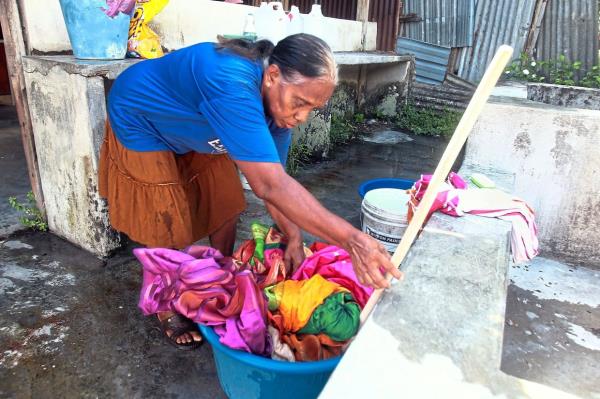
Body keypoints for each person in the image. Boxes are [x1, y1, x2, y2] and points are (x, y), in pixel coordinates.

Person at [99, 33, 402, 350]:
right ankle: (165, 303)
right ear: (272, 76)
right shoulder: (229, 81)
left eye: (312, 108)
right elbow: (268, 184)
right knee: (166, 222)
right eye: (299, 103)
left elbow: (278, 184)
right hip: (140, 117)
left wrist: (294, 237)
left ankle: (220, 270)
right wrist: (351, 239)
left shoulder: (276, 112)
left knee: (225, 200)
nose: (301, 117)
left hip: (196, 125)